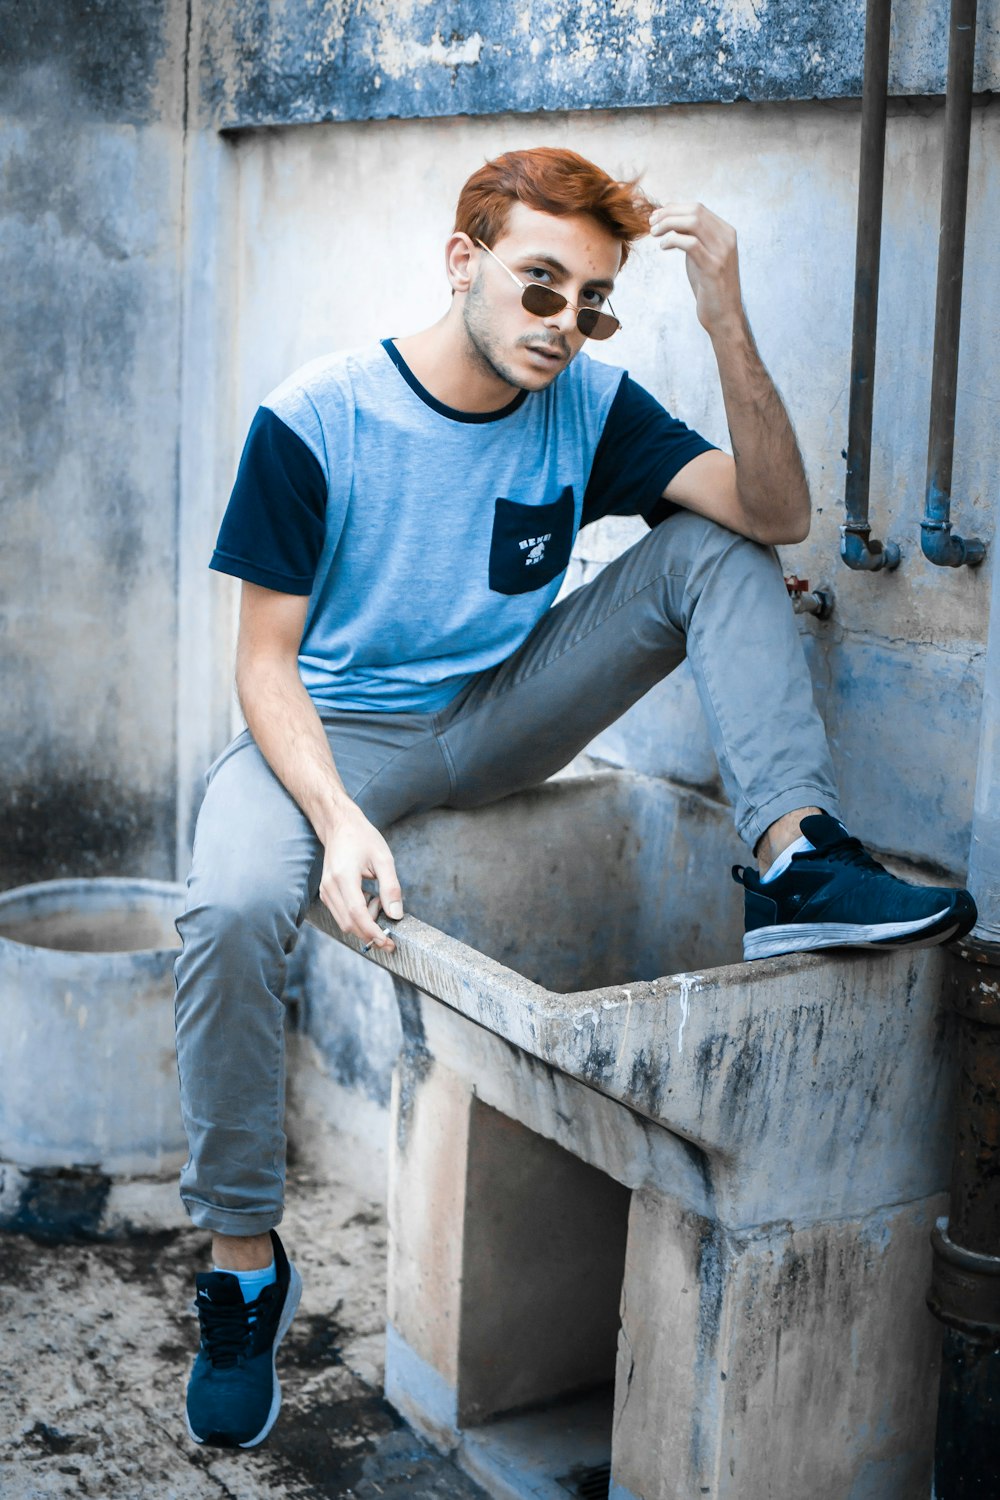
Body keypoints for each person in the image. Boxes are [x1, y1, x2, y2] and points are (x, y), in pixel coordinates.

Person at [175, 147, 976, 1449]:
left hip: (501, 717)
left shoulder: (588, 406)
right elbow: (263, 664)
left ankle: (795, 857)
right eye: (539, 286)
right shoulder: (315, 419)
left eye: (591, 299)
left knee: (716, 546)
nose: (565, 323)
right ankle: (242, 1258)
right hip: (337, 734)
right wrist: (334, 815)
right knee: (223, 906)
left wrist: (722, 315)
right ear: (463, 260)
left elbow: (774, 507)